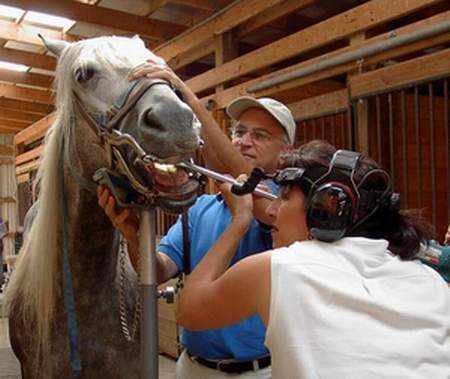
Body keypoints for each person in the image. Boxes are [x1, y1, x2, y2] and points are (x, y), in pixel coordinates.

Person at [176, 140, 450, 378]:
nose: (271, 210)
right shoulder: (430, 280)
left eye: (283, 197)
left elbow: (189, 311)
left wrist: (239, 221)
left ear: (328, 207)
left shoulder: (282, 267)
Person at [98, 63, 297, 377]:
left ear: (285, 152)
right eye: (239, 132)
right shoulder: (200, 208)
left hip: (258, 372)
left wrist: (184, 93)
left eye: (260, 136)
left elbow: (241, 179)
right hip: (192, 367)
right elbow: (159, 270)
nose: (244, 141)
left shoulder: (281, 208)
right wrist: (133, 234)